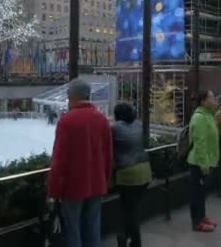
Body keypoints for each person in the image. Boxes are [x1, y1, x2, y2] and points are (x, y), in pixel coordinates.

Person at [47, 79, 112, 247]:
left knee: (73, 230)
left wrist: (54, 190)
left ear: (73, 97)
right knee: (92, 227)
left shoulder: (68, 121)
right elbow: (107, 155)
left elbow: (59, 159)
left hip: (73, 187)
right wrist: (105, 181)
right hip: (97, 184)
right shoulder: (102, 119)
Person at [112, 103, 152, 247]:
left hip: (127, 173)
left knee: (128, 210)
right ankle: (131, 239)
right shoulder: (139, 125)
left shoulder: (115, 128)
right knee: (132, 209)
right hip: (145, 171)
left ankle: (127, 239)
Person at [187, 90, 219, 232]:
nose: (215, 100)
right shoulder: (199, 117)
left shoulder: (208, 115)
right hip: (199, 163)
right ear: (203, 101)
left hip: (207, 161)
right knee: (196, 193)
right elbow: (200, 144)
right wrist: (204, 165)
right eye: (212, 98)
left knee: (202, 192)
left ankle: (202, 216)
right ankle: (197, 222)